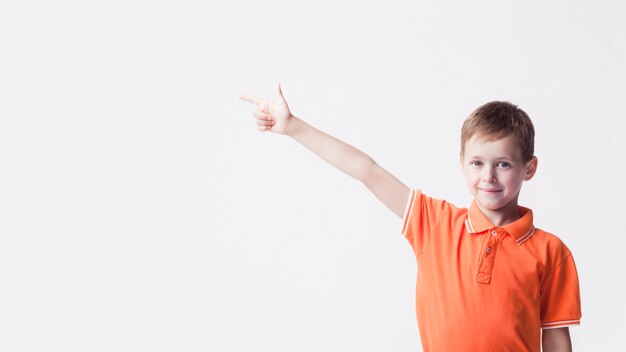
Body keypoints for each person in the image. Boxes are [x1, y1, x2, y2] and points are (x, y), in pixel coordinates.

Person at [239, 84, 581, 352]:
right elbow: (366, 170)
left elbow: (555, 339)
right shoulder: (434, 223)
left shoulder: (551, 252)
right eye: (477, 163)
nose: (488, 175)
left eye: (503, 164)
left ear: (529, 168)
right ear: (461, 162)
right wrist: (294, 127)